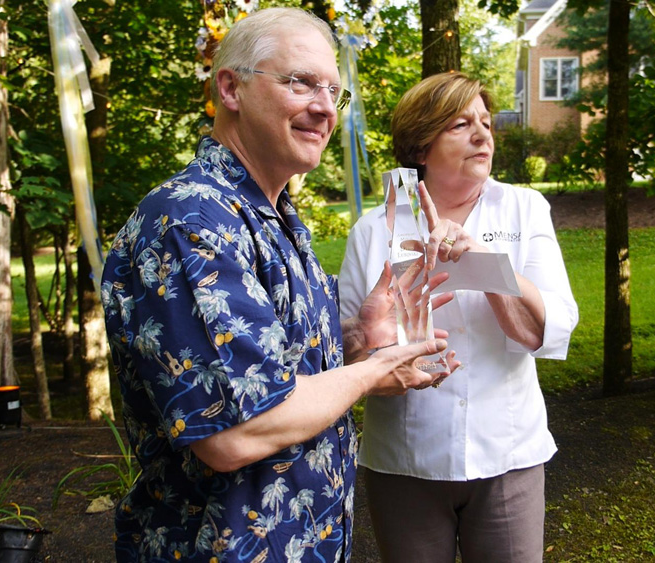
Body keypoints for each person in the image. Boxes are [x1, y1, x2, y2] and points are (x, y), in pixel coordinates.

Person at [101, 8, 457, 562]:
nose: (323, 107)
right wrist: (374, 370)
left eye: (333, 92)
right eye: (300, 82)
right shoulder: (193, 220)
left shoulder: (272, 216)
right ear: (231, 88)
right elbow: (235, 433)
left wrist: (359, 337)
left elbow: (277, 365)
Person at [338, 72, 579, 562]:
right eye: (461, 124)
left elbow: (552, 324)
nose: (482, 135)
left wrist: (485, 263)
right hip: (405, 462)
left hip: (509, 455)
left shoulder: (525, 208)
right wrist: (369, 334)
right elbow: (342, 351)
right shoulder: (372, 229)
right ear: (421, 145)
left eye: (486, 123)